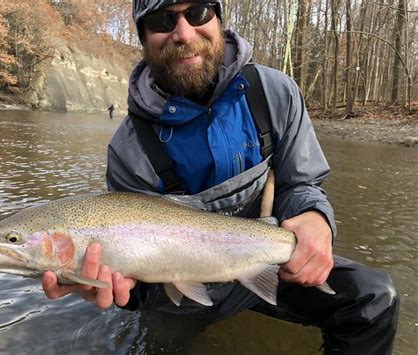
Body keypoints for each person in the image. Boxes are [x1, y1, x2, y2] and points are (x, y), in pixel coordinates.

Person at [42, 1, 399, 353]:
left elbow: (300, 183)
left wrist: (316, 218)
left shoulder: (274, 93)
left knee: (375, 301)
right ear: (143, 36)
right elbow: (138, 274)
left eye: (197, 13)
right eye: (163, 21)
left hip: (269, 262)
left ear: (219, 20)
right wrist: (120, 289)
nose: (183, 33)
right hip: (179, 296)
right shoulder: (129, 149)